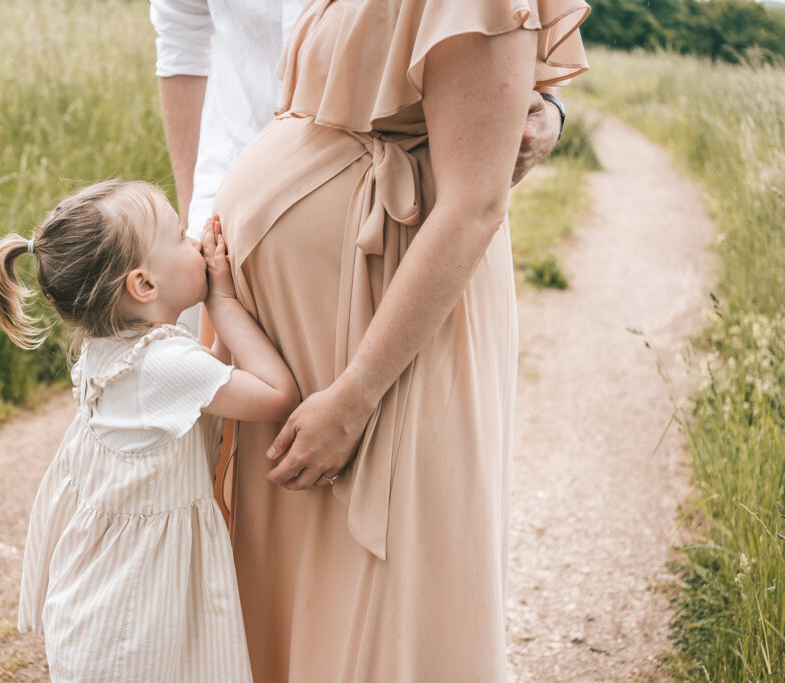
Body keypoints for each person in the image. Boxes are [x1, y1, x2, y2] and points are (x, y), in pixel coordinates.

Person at [212, 0, 591, 681]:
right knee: (295, 589)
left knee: (381, 594)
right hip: (305, 331)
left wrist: (353, 397)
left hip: (378, 332)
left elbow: (475, 202)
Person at [151, 0, 571, 523]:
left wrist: (548, 108)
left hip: (388, 275)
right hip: (221, 236)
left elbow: (501, 53)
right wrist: (193, 220)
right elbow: (181, 42)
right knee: (224, 498)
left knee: (383, 498)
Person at [0, 180, 299, 682]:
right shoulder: (163, 365)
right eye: (179, 236)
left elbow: (208, 388)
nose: (194, 240)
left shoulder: (114, 351)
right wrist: (224, 302)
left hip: (103, 607)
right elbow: (277, 394)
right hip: (135, 620)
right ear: (144, 286)